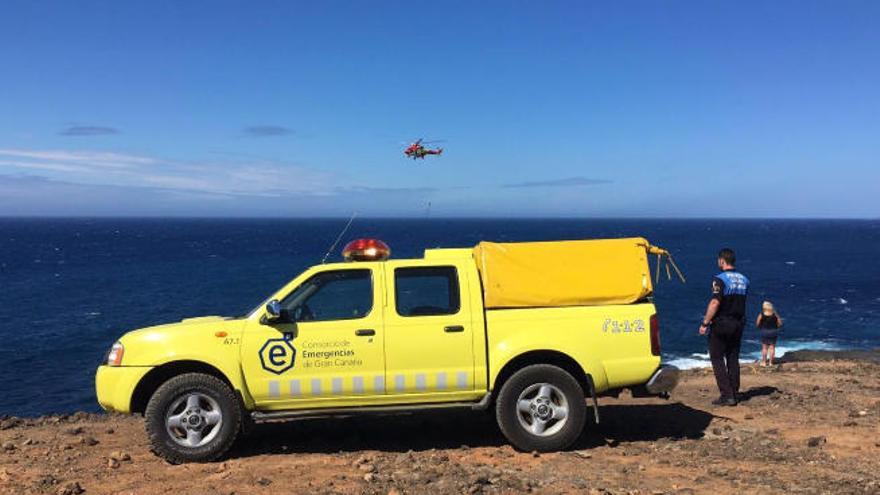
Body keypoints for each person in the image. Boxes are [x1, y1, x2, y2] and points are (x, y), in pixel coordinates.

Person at [699, 248, 749, 406]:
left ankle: (727, 395)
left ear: (722, 260)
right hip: (738, 323)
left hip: (722, 323)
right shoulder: (744, 279)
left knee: (716, 357)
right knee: (733, 357)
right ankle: (734, 391)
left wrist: (705, 323)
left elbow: (715, 302)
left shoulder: (719, 279)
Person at [756, 301, 783, 366]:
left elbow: (757, 323)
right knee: (772, 348)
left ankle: (764, 362)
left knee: (764, 348)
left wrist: (760, 327)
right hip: (773, 331)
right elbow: (780, 323)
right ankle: (771, 363)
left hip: (765, 331)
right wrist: (776, 327)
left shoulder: (761, 314)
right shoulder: (775, 314)